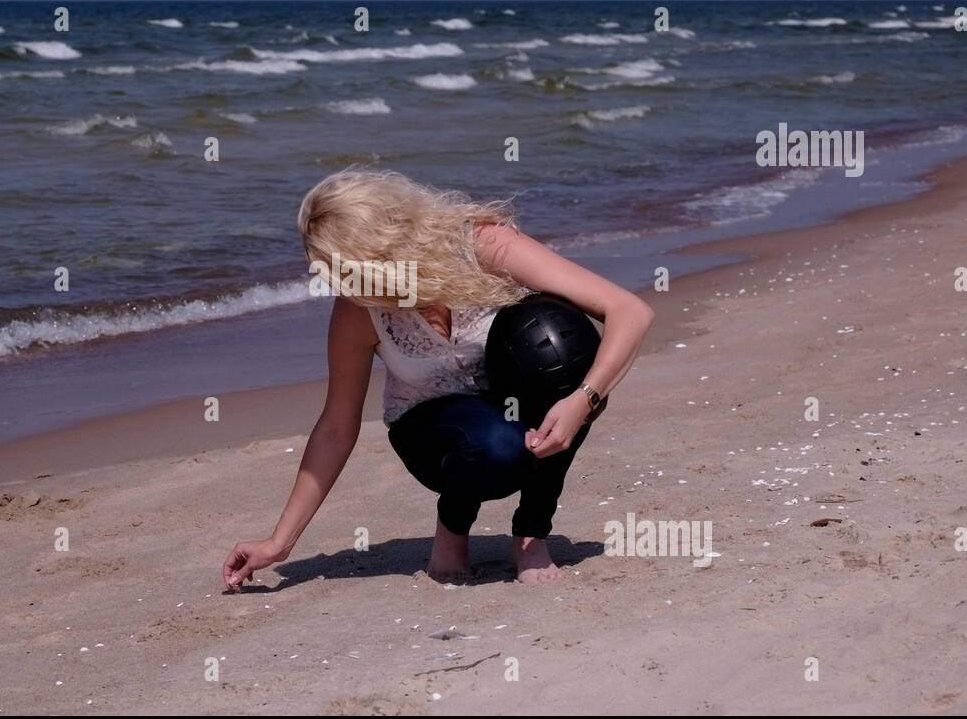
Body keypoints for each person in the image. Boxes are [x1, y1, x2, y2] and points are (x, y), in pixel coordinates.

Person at [222, 170, 655, 588]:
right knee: (496, 445)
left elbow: (629, 311)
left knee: (562, 351)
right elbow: (336, 427)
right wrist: (280, 542)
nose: (350, 285)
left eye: (356, 270)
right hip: (432, 433)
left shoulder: (483, 245)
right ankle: (451, 530)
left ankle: (531, 534)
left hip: (509, 402)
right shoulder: (359, 310)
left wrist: (583, 399)